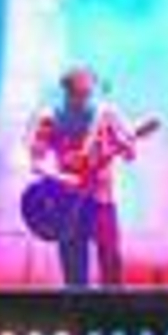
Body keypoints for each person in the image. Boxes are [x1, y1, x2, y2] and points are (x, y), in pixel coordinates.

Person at [28, 66, 139, 287]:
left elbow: (130, 154)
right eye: (76, 94)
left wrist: (126, 146)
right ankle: (79, 319)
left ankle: (113, 317)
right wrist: (61, 178)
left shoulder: (106, 114)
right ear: (66, 91)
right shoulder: (50, 118)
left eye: (86, 93)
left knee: (111, 264)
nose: (82, 99)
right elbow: (36, 162)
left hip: (101, 199)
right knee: (74, 271)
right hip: (67, 203)